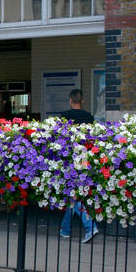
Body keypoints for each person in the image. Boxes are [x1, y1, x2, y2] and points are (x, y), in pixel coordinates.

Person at [58, 88, 96, 244]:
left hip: (69, 155)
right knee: (74, 193)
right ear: (82, 101)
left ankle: (90, 226)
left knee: (73, 193)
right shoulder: (89, 117)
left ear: (70, 100)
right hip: (83, 154)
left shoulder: (65, 116)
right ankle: (65, 229)